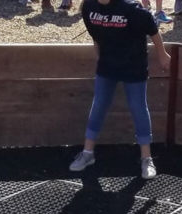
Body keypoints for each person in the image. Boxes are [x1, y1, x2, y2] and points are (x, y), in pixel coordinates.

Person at [70, 0, 171, 178]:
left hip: (133, 65)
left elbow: (153, 30)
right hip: (108, 65)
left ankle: (146, 158)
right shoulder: (88, 7)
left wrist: (162, 54)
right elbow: (96, 37)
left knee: (138, 107)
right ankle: (87, 153)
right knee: (99, 104)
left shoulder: (132, 9)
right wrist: (101, 60)